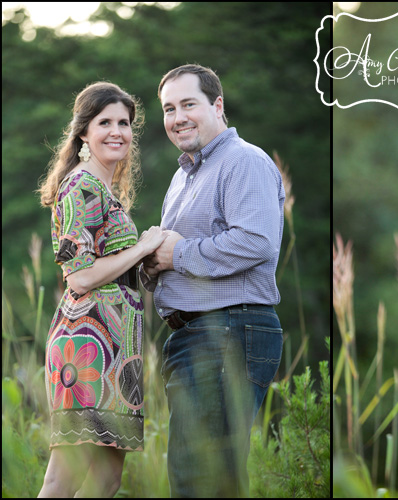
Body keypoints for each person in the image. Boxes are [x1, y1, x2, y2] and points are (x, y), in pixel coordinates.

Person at [140, 63, 286, 497]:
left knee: (204, 478)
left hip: (228, 331)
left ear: (217, 105)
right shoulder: (184, 176)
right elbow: (182, 255)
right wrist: (155, 264)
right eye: (169, 109)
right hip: (198, 335)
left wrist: (177, 253)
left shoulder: (243, 161)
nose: (178, 117)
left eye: (189, 104)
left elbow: (257, 242)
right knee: (200, 476)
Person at [36, 82, 168, 497]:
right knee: (65, 477)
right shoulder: (79, 187)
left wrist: (145, 262)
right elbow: (79, 276)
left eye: (124, 123)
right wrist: (144, 245)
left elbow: (113, 271)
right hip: (86, 346)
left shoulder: (106, 191)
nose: (117, 131)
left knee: (107, 479)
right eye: (104, 122)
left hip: (118, 350)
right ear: (83, 134)